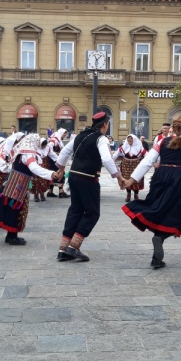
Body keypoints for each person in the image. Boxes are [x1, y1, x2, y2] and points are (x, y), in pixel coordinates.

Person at [122, 115, 181, 269]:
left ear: (173, 127)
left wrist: (131, 180)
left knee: (158, 208)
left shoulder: (161, 142)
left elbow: (147, 162)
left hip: (161, 177)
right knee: (175, 214)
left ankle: (156, 257)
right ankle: (160, 237)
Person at [55, 111, 124, 262]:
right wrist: (118, 177)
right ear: (105, 124)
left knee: (75, 209)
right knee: (92, 212)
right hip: (88, 178)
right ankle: (73, 247)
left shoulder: (79, 136)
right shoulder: (101, 138)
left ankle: (63, 248)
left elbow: (65, 151)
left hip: (73, 176)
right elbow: (107, 159)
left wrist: (61, 169)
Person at [0, 134, 58, 245]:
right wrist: (51, 173)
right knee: (14, 209)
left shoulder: (21, 152)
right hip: (18, 184)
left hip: (13, 182)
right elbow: (33, 167)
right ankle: (12, 236)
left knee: (13, 208)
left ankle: (11, 235)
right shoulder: (28, 153)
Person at [113, 134, 147, 202]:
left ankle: (136, 194)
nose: (130, 142)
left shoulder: (140, 147)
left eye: (131, 141)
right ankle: (128, 194)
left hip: (136, 165)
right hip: (126, 165)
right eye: (128, 141)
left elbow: (147, 155)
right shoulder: (124, 147)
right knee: (126, 179)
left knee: (136, 179)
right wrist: (111, 161)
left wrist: (149, 162)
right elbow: (116, 154)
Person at [46, 127, 70, 198]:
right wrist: (56, 153)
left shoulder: (56, 139)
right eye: (64, 135)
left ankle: (50, 191)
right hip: (55, 160)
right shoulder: (55, 139)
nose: (64, 136)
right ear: (61, 133)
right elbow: (49, 146)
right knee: (60, 173)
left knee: (52, 174)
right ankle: (61, 191)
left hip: (51, 160)